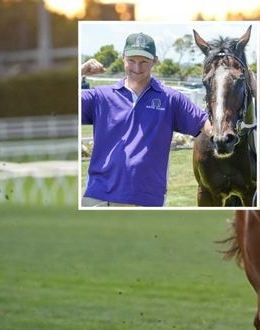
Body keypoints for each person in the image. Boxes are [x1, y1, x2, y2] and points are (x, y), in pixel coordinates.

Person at [81, 32, 211, 207]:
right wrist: (80, 71)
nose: (137, 67)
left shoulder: (171, 99)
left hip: (146, 201)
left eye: (143, 62)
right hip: (98, 199)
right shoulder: (100, 96)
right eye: (131, 61)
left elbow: (208, 126)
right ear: (123, 58)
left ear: (154, 61)